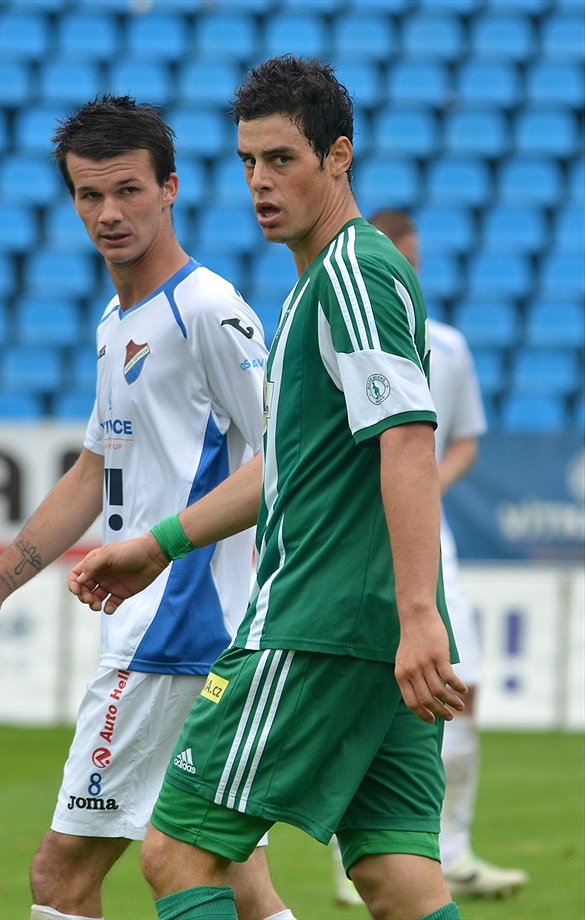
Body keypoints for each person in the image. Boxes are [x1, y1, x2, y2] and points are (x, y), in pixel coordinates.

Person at [69, 57, 468, 920]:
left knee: (179, 855)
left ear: (338, 156)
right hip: (366, 631)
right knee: (396, 876)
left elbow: (405, 437)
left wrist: (418, 615)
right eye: (247, 161)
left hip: (317, 622)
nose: (259, 181)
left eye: (282, 159)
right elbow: (288, 468)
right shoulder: (315, 284)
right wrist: (157, 543)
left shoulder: (353, 274)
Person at [0, 95, 294, 920]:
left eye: (128, 190)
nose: (109, 213)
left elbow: (288, 459)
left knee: (62, 878)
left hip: (176, 631)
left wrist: (163, 545)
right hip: (183, 631)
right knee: (234, 880)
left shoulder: (208, 311)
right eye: (89, 196)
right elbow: (97, 467)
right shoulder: (117, 319)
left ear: (170, 187)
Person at [364, 208, 529, 900]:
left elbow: (459, 441)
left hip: (431, 537)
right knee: (370, 694)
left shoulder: (449, 348)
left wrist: (424, 488)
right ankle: (381, 853)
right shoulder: (346, 332)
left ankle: (447, 851)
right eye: (405, 256)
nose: (413, 268)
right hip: (352, 539)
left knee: (460, 686)